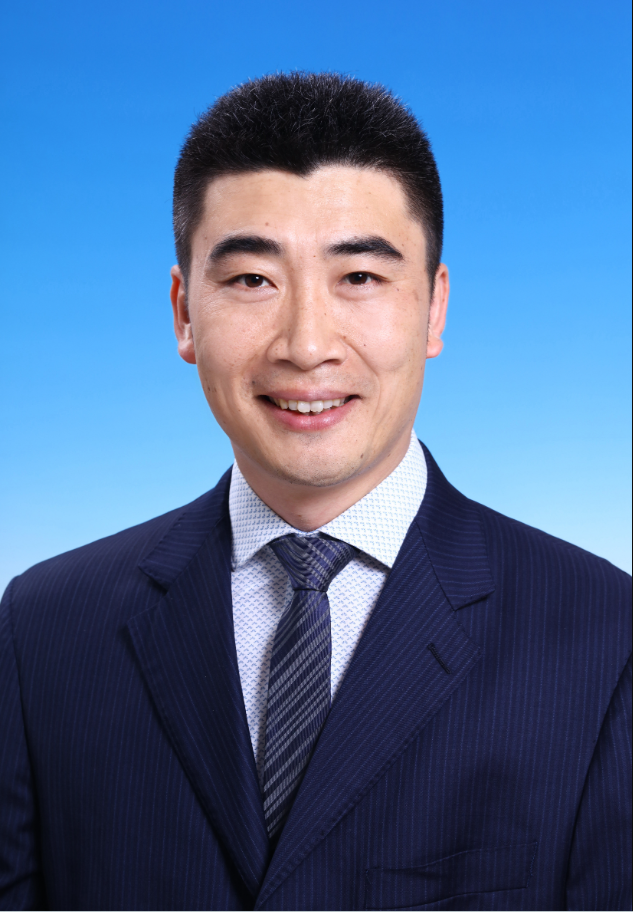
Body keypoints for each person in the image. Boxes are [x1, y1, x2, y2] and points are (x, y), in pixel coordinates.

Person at [0, 72, 630, 912]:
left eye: (358, 277)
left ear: (433, 308)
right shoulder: (43, 628)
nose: (305, 344)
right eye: (251, 280)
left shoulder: (602, 635)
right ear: (184, 313)